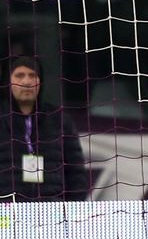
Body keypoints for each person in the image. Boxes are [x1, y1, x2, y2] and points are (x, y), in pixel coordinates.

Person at [0, 56, 88, 201]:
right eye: (19, 75)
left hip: (51, 213)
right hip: (6, 213)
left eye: (32, 75)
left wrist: (72, 211)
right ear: (8, 82)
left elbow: (76, 173)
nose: (27, 81)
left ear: (40, 82)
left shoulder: (59, 120)